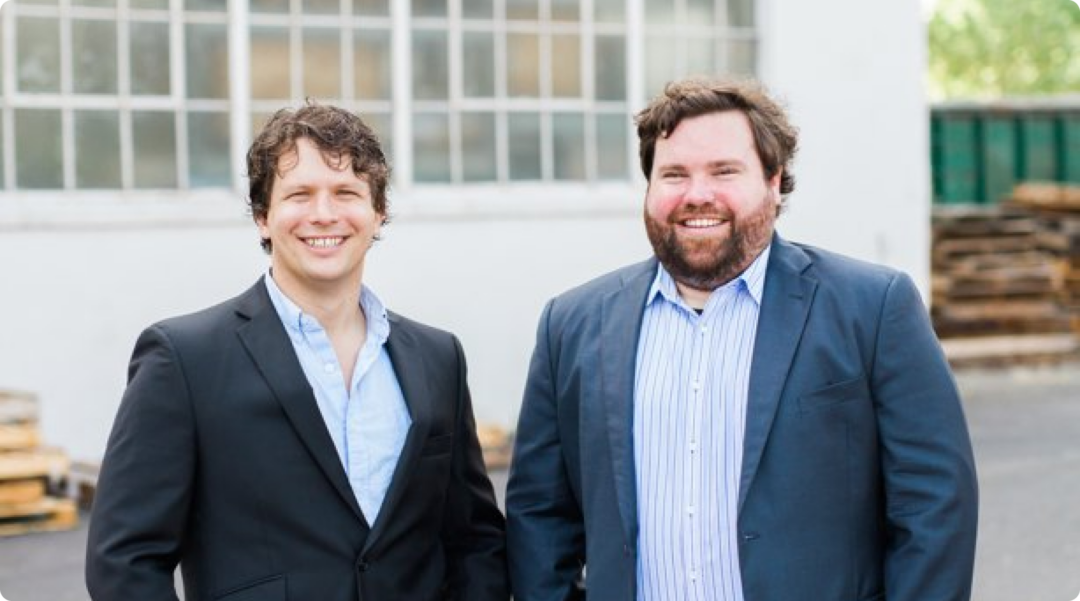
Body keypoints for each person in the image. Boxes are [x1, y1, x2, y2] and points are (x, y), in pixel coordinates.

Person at [505, 77, 978, 601]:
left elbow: (934, 504)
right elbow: (540, 518)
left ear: (774, 182)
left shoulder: (873, 308)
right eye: (674, 174)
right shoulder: (572, 325)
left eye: (724, 171)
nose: (697, 194)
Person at [86, 103, 509, 601]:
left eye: (347, 192)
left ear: (379, 213)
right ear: (263, 217)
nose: (324, 213)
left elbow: (474, 540)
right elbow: (124, 562)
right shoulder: (184, 361)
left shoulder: (437, 358)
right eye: (300, 194)